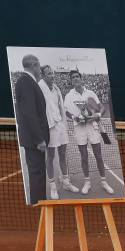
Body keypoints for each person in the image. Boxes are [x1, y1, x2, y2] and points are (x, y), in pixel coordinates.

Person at [63, 70, 114, 195]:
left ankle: (103, 181)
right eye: (73, 77)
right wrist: (74, 118)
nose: (75, 79)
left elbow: (102, 107)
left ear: (81, 78)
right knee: (84, 156)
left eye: (77, 77)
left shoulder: (90, 93)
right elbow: (66, 111)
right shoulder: (69, 96)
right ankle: (87, 182)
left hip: (92, 127)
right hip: (79, 128)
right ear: (71, 80)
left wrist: (96, 115)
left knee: (99, 156)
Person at [38, 65, 80, 199]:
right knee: (50, 157)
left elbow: (59, 107)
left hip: (60, 126)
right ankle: (53, 187)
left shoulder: (56, 88)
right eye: (49, 74)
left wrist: (63, 122)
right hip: (49, 127)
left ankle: (66, 182)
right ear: (43, 75)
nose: (52, 75)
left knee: (62, 154)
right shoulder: (39, 88)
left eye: (52, 73)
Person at [13, 54, 49, 205]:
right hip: (35, 140)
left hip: (34, 139)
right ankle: (38, 205)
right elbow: (30, 113)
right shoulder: (25, 81)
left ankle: (41, 203)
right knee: (37, 174)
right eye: (39, 65)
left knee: (39, 173)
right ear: (34, 64)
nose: (40, 69)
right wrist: (39, 139)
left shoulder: (28, 81)